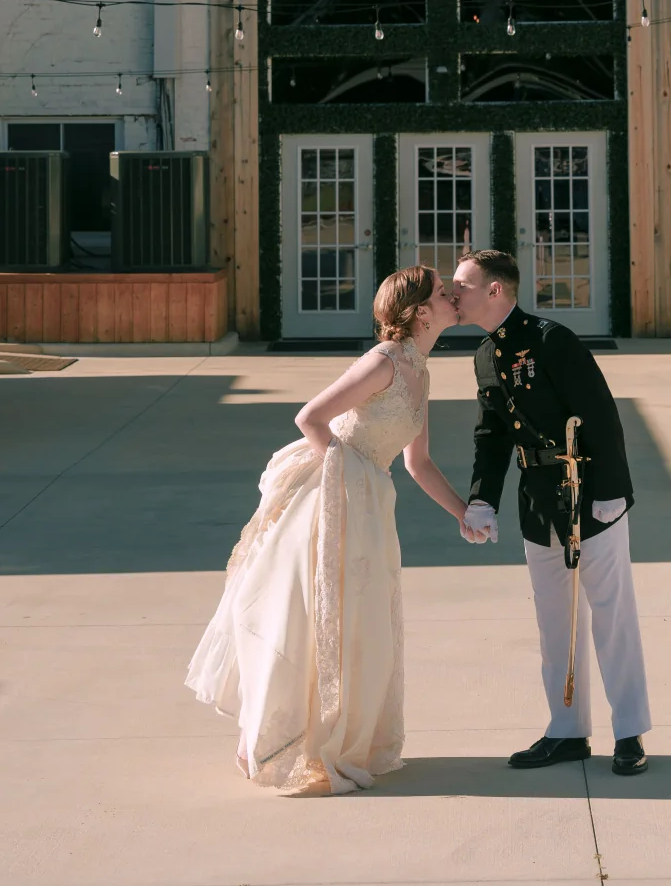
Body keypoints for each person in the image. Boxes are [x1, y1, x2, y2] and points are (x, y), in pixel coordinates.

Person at [186, 264, 472, 794]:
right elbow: (311, 417)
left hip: (369, 503)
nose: (453, 296)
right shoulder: (384, 361)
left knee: (360, 623)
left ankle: (340, 737)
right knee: (308, 617)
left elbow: (419, 463)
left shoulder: (421, 369)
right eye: (442, 292)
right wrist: (345, 480)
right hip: (330, 498)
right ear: (419, 311)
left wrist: (463, 512)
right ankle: (278, 741)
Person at [454, 247, 652, 776]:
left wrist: (611, 491)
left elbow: (603, 416)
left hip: (590, 491)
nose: (454, 293)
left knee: (612, 616)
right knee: (554, 623)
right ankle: (567, 732)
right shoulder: (484, 355)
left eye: (463, 284)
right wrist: (482, 499)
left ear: (494, 289)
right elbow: (490, 435)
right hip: (539, 500)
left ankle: (629, 732)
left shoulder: (551, 340)